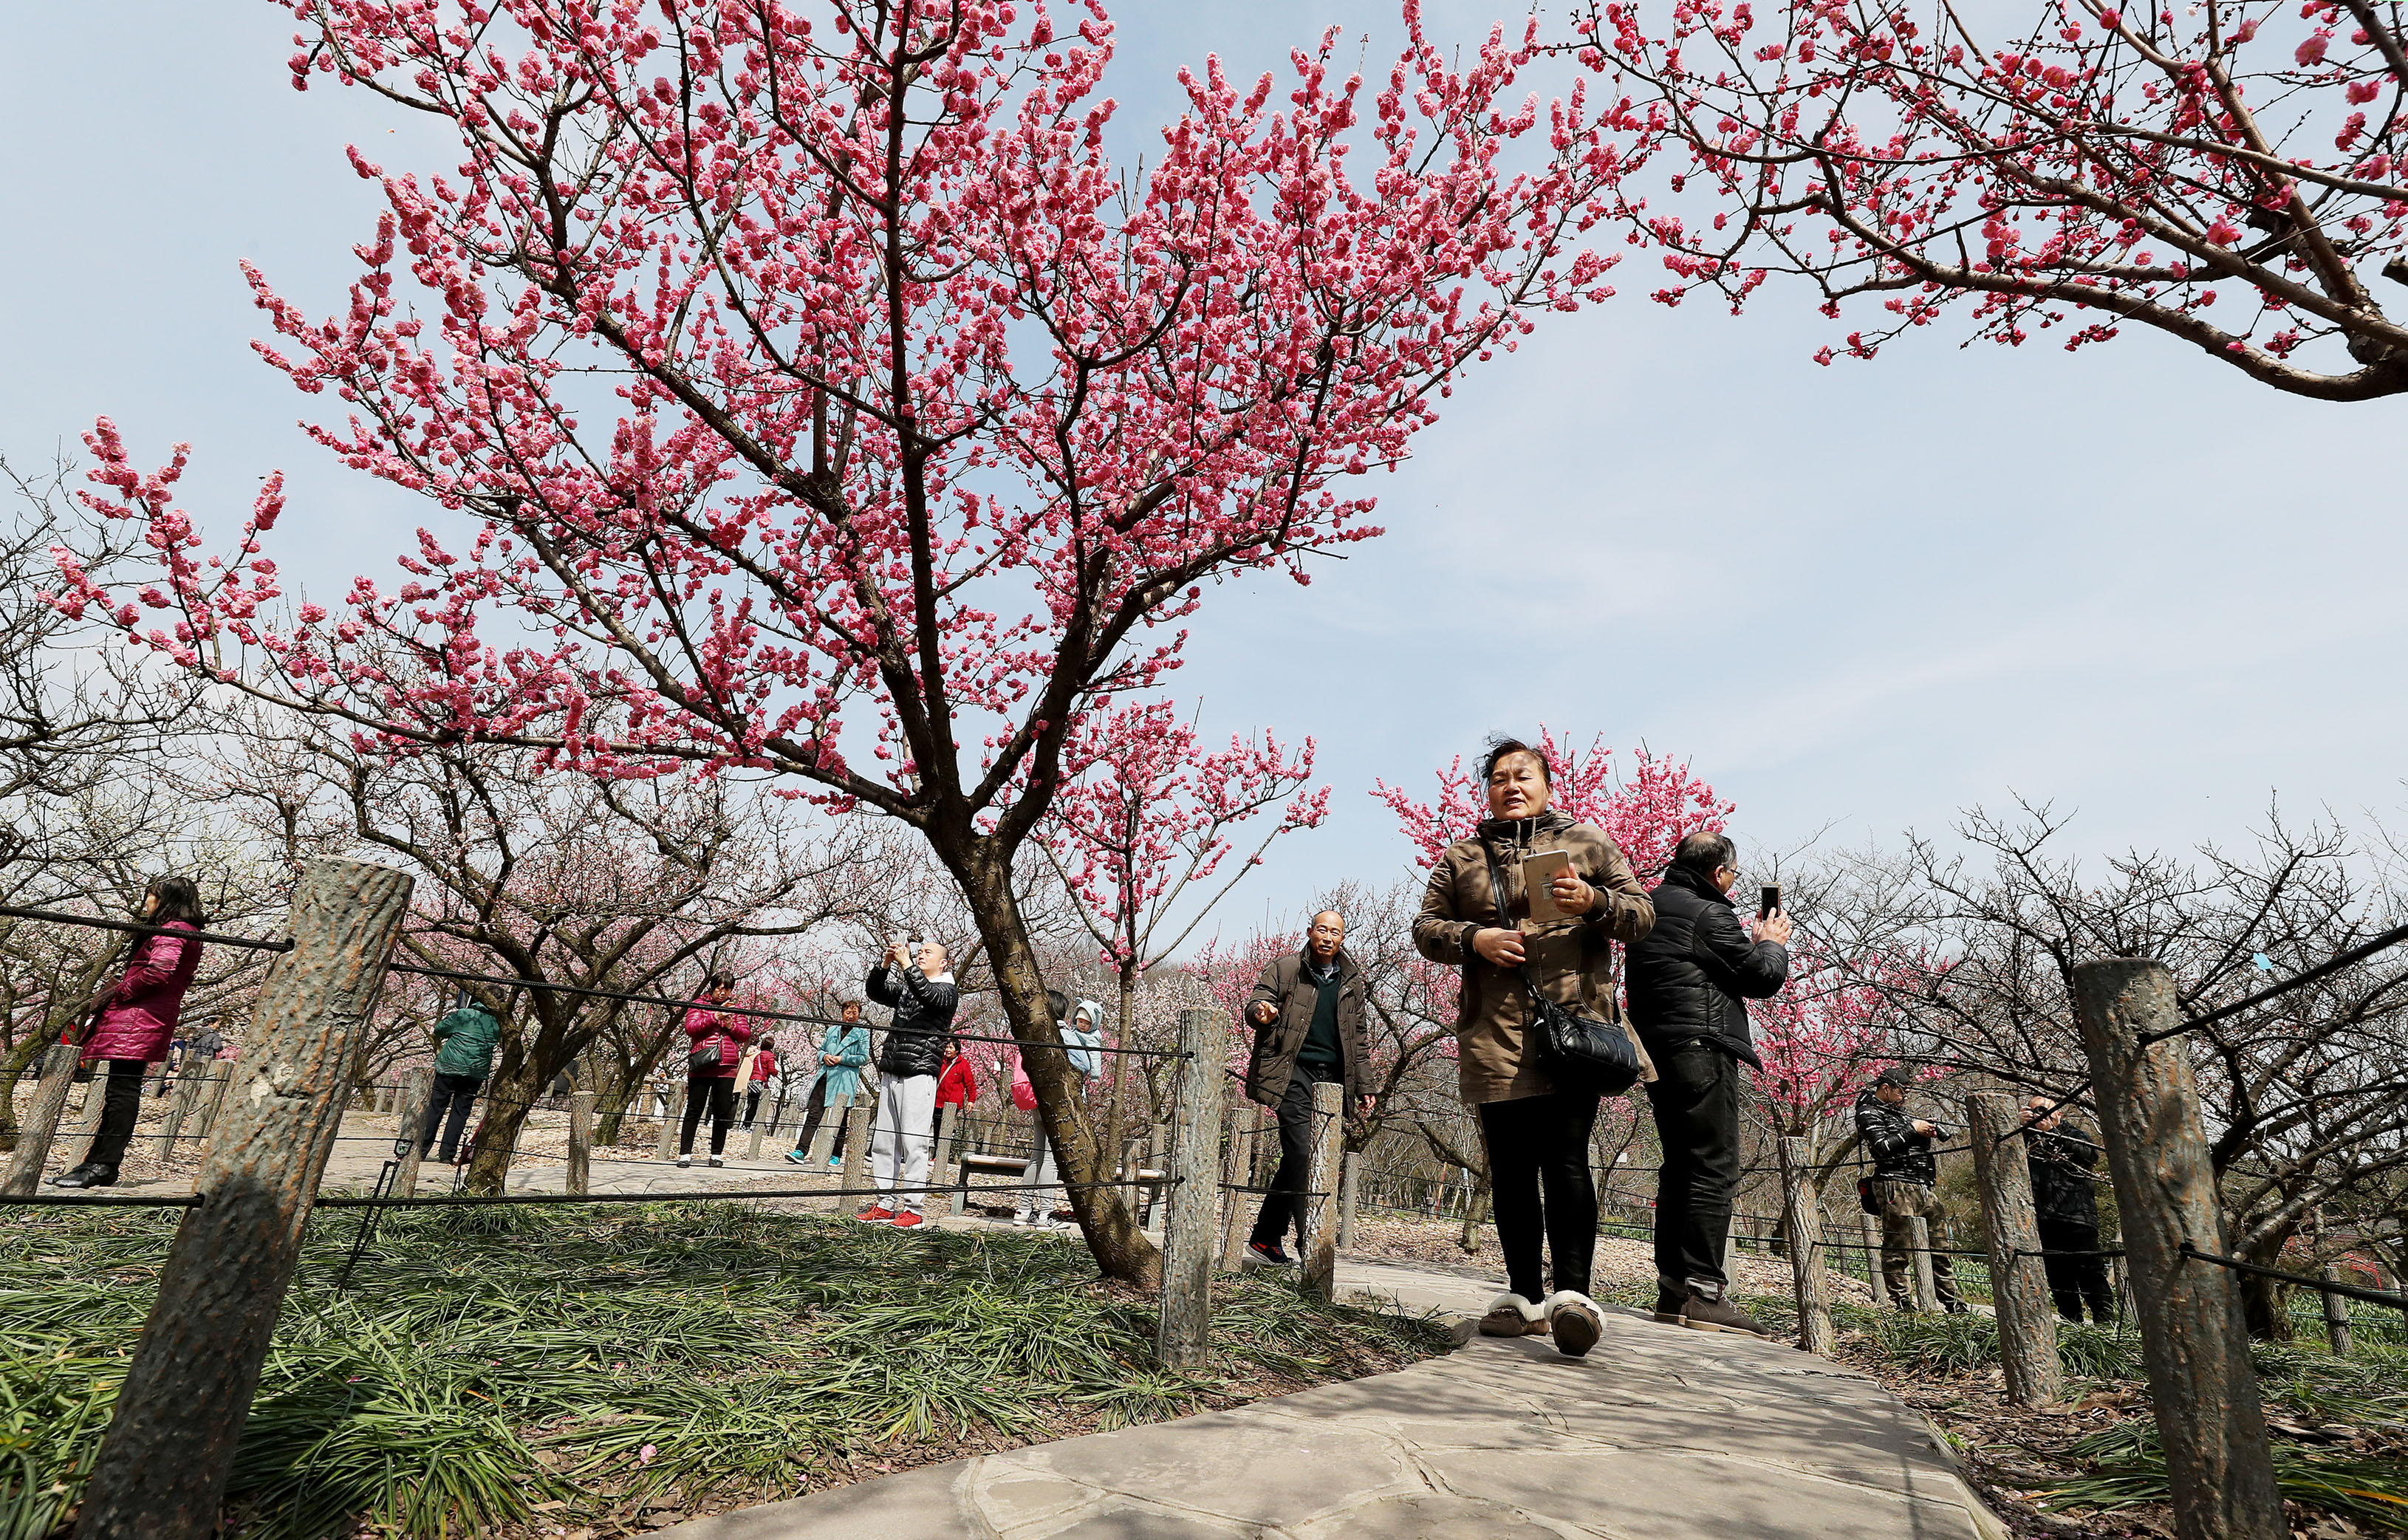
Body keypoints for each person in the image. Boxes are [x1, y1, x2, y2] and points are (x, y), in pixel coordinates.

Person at [1412, 737, 1656, 1359]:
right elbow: (1425, 927)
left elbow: (1643, 913)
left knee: (1567, 1159)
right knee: (1513, 1169)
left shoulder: (1587, 843)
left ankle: (1574, 1298)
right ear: (1487, 791)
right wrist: (1477, 937)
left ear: (1548, 783)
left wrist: (1594, 901)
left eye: (1524, 775)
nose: (1511, 785)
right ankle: (1522, 1298)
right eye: (1499, 777)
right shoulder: (1462, 857)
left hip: (1575, 1031)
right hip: (1494, 1034)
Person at [1626, 830, 1792, 1338]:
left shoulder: (1650, 905)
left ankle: (1673, 1289)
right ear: (1720, 872)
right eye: (1733, 875)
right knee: (1714, 1167)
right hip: (1702, 1048)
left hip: (1658, 1053)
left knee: (1680, 1165)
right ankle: (1704, 1291)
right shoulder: (1707, 911)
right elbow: (1760, 977)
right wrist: (1771, 944)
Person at [48, 877, 207, 1190]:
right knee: (120, 1089)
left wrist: (119, 993)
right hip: (147, 1016)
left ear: (166, 899)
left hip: (138, 1017)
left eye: (151, 895)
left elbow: (160, 971)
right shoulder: (188, 932)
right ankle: (98, 1163)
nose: (146, 901)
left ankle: (103, 1165)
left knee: (122, 1091)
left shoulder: (174, 928)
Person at [1239, 912, 1372, 1268]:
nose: (1328, 937)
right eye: (1322, 930)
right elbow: (1256, 1003)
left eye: (1336, 932)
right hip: (1291, 1071)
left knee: (1304, 1157)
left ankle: (1265, 1238)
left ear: (1343, 938)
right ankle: (1310, 1244)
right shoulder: (1285, 969)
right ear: (1310, 933)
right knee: (1302, 1154)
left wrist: (1364, 1083)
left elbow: (1357, 1036)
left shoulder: (1352, 981)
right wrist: (1262, 1012)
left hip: (1332, 1079)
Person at [859, 938, 958, 1228]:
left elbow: (929, 995)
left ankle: (914, 1209)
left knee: (914, 1143)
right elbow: (875, 991)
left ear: (943, 962)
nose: (920, 955)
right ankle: (885, 1203)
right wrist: (886, 963)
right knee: (884, 1141)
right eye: (919, 951)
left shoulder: (947, 991)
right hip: (892, 1068)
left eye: (928, 952)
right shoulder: (909, 986)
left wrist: (907, 965)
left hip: (920, 1072)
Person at [1856, 1066, 1969, 1313]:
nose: (1905, 1096)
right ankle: (1903, 1303)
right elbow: (1882, 1146)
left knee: (1940, 1246)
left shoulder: (1901, 1113)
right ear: (1885, 1089)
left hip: (1924, 1185)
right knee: (1899, 1247)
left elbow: (1915, 1137)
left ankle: (1953, 1303)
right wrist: (1913, 1130)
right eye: (1901, 1091)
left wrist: (1928, 1129)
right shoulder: (1868, 1112)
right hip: (1894, 1184)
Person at [1016, 993, 1104, 1229]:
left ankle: (1023, 1210)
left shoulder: (1035, 1030)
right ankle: (1046, 1214)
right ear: (1064, 1013)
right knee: (1050, 1160)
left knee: (1035, 1156)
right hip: (1055, 1101)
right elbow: (1084, 1065)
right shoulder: (1064, 1034)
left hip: (1035, 1098)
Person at [2024, 1095, 2115, 1323]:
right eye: (2036, 1111)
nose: (2041, 1115)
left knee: (2090, 1273)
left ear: (2059, 1114)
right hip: (2045, 1219)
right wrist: (2019, 1127)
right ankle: (2072, 1326)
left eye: (2046, 1110)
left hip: (2078, 1217)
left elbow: (2090, 1155)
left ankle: (2105, 1324)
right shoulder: (2025, 1138)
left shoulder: (2074, 1134)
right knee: (2058, 1278)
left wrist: (2053, 1133)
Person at [678, 971, 752, 1168]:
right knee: (694, 1109)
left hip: (726, 1067)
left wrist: (731, 1025)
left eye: (727, 989)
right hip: (702, 1065)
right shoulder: (699, 1004)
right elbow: (691, 1029)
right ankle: (685, 1153)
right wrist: (714, 1017)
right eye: (719, 988)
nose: (722, 993)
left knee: (722, 1111)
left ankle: (716, 1154)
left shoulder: (736, 1009)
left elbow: (745, 1035)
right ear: (712, 987)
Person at [786, 1001, 870, 1168]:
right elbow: (821, 1050)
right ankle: (801, 1151)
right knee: (814, 1114)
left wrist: (842, 1059)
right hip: (825, 1076)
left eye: (855, 1013)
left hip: (844, 1079)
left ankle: (836, 1154)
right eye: (848, 1012)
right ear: (842, 1013)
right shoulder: (832, 1031)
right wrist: (824, 1056)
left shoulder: (862, 1034)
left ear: (859, 1015)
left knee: (841, 1118)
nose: (851, 1016)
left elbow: (863, 1058)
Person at [422, 990, 502, 1166]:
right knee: (460, 1113)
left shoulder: (463, 1015)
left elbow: (439, 1030)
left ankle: (421, 1150)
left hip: (449, 1068)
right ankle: (447, 1155)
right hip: (475, 1073)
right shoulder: (498, 1022)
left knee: (436, 1108)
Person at [741, 1036, 781, 1131]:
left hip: (752, 1081)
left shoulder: (758, 1055)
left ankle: (744, 1125)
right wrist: (776, 1072)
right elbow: (771, 1069)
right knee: (755, 1106)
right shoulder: (770, 1056)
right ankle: (747, 1126)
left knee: (750, 1105)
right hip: (760, 1082)